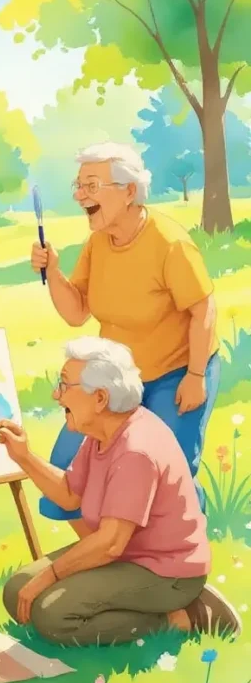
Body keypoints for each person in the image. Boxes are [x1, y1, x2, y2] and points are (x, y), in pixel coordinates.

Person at [0, 337, 240, 645]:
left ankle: (186, 616)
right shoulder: (103, 431)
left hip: (165, 572)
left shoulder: (135, 451)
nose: (56, 395)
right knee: (18, 590)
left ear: (100, 397)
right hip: (125, 556)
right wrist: (25, 457)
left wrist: (49, 576)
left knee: (51, 615)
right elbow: (71, 494)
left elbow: (110, 544)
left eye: (64, 386)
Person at [30, 142, 219, 528]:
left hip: (177, 372)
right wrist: (52, 271)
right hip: (117, 378)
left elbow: (204, 309)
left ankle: (183, 553)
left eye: (92, 185)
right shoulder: (98, 242)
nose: (81, 195)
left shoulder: (170, 243)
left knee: (167, 475)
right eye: (78, 185)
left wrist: (196, 376)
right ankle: (107, 562)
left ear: (129, 191)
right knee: (66, 473)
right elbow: (76, 312)